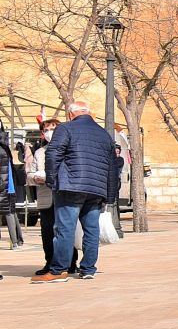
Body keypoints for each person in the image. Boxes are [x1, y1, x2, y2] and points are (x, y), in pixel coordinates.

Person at [33, 101, 116, 283]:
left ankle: (58, 271)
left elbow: (53, 153)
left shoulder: (66, 129)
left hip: (71, 186)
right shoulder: (104, 134)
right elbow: (112, 167)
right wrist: (109, 195)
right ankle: (88, 269)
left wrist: (52, 180)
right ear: (89, 113)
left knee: (64, 229)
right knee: (91, 230)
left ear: (71, 114)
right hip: (96, 189)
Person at [28, 118, 78, 276]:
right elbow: (29, 175)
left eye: (53, 129)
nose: (49, 133)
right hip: (46, 197)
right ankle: (49, 262)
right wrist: (35, 178)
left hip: (63, 195)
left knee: (65, 231)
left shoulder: (68, 150)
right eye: (46, 130)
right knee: (47, 233)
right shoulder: (39, 152)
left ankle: (70, 262)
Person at [0, 124, 22, 248]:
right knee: (11, 212)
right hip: (8, 184)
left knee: (9, 213)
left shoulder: (1, 148)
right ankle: (17, 241)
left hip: (4, 186)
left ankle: (15, 241)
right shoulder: (5, 146)